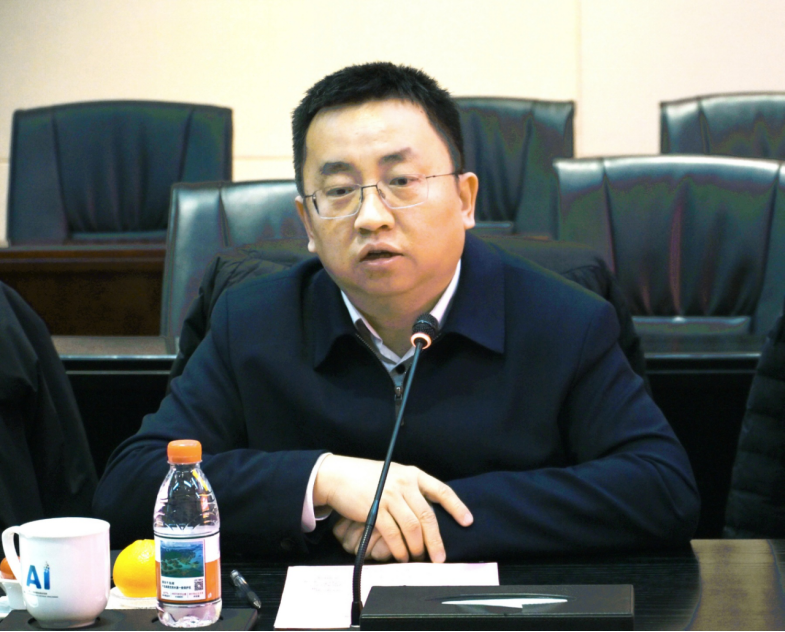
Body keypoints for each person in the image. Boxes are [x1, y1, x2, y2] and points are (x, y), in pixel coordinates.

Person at [94, 62, 699, 562]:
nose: (371, 216)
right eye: (339, 191)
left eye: (402, 181)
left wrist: (427, 517)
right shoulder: (250, 322)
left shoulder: (565, 319)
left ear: (464, 199)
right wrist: (321, 481)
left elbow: (662, 489)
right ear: (308, 223)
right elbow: (130, 486)